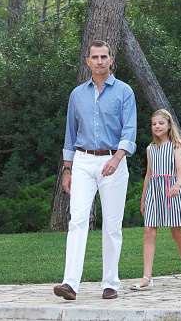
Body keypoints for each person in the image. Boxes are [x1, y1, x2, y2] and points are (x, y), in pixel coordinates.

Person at [53, 40, 137, 300]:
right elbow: (70, 133)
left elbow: (129, 129)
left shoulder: (125, 92)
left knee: (112, 225)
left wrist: (118, 157)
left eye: (104, 56)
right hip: (83, 161)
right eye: (94, 57)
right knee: (77, 221)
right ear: (87, 62)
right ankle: (70, 284)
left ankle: (110, 283)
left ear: (111, 60)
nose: (99, 61)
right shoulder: (77, 94)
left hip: (114, 161)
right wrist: (67, 169)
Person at [129, 109, 181, 290]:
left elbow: (180, 170)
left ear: (168, 125)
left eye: (161, 123)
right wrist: (143, 199)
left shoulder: (175, 145)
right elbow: (148, 175)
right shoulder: (150, 148)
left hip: (171, 191)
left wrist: (177, 185)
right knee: (149, 232)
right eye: (154, 124)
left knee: (176, 232)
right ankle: (146, 277)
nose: (157, 126)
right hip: (153, 192)